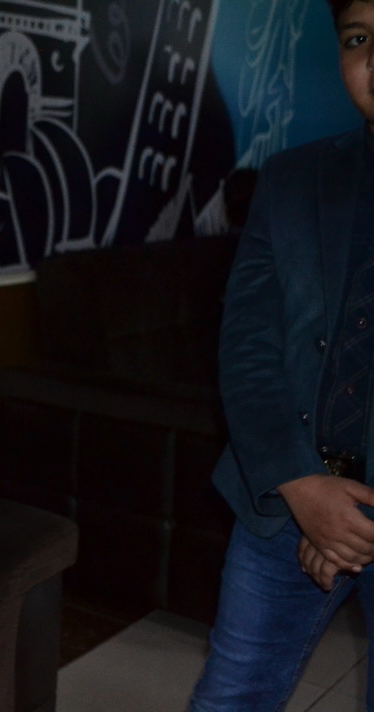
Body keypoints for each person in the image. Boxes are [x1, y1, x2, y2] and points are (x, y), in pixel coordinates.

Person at [190, 1, 374, 708]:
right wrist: (304, 487)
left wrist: (349, 529)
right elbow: (248, 347)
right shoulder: (295, 178)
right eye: (357, 38)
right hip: (282, 502)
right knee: (230, 696)